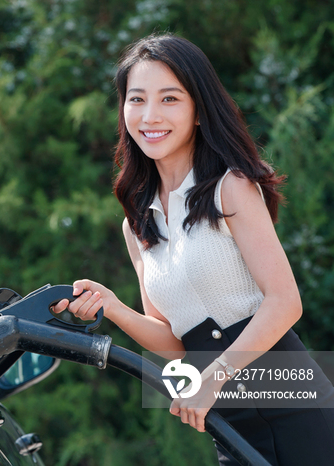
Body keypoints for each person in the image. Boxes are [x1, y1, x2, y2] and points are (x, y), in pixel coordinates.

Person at [52, 33, 334, 465]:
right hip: (230, 423)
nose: (150, 115)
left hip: (292, 399)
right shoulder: (138, 223)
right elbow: (176, 344)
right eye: (136, 99)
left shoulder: (232, 188)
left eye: (169, 99)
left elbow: (285, 302)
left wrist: (214, 377)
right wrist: (115, 308)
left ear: (199, 110)